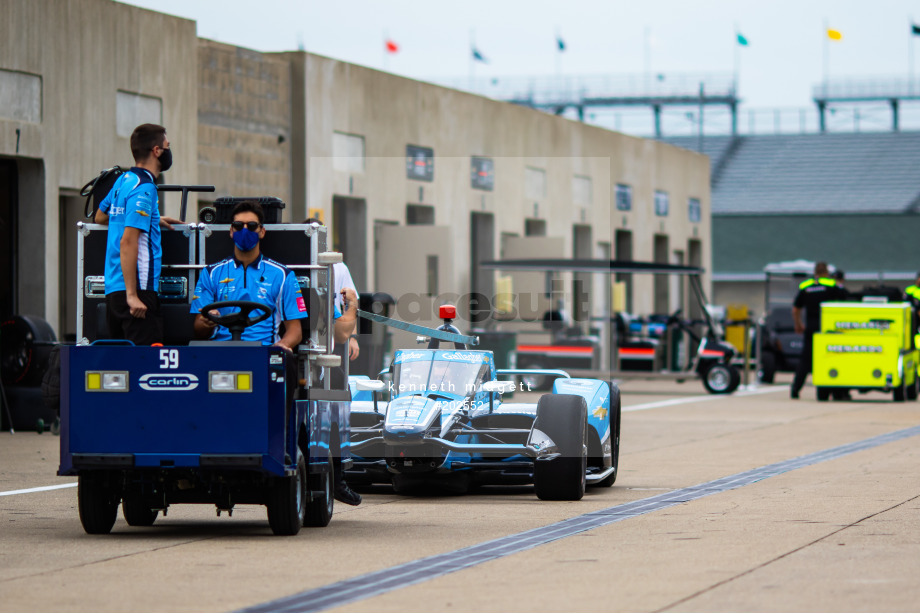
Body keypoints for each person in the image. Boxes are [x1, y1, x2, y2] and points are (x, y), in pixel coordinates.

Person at [192, 201, 361, 505]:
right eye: (240, 226)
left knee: (283, 364)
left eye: (252, 227)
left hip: (263, 354)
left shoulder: (282, 276)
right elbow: (198, 326)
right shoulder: (211, 275)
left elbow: (295, 330)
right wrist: (205, 321)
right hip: (216, 354)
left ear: (262, 231)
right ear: (231, 232)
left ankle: (278, 446)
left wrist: (282, 347)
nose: (246, 232)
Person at [94, 123, 182, 345]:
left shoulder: (123, 180)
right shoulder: (144, 187)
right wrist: (133, 296)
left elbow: (100, 216)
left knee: (123, 369)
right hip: (137, 292)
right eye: (167, 146)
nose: (169, 151)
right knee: (146, 368)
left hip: (115, 290)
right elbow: (128, 241)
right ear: (156, 151)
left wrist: (152, 218)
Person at [304, 218, 360, 363]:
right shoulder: (292, 267)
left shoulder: (338, 266)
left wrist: (352, 337)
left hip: (332, 333)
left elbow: (349, 303)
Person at [790, 262, 848, 399]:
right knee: (831, 358)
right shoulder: (832, 285)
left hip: (811, 327)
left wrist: (798, 324)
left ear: (815, 272)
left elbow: (795, 309)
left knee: (805, 360)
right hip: (828, 328)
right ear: (827, 272)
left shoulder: (806, 286)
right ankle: (834, 392)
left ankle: (795, 389)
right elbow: (845, 301)